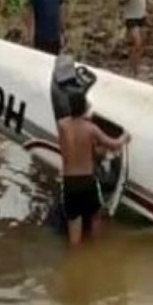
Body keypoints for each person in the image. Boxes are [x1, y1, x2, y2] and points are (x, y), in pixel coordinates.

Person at [57, 91, 130, 247]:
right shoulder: (91, 129)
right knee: (96, 216)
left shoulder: (62, 125)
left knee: (74, 226)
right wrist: (125, 136)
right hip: (87, 180)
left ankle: (75, 260)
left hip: (69, 182)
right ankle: (96, 251)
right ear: (84, 107)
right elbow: (113, 144)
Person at [118, 0, 152, 77]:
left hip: (141, 15)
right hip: (131, 16)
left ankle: (136, 66)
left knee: (142, 43)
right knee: (137, 42)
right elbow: (120, 1)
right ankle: (132, 69)